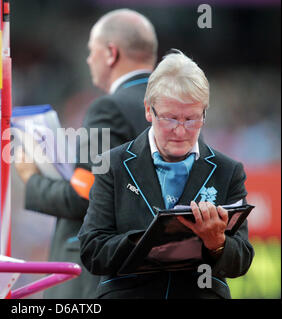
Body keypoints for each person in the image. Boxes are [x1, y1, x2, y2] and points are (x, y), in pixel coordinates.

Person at [78, 50, 254, 299]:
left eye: (192, 119)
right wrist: (147, 243)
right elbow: (92, 250)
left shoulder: (228, 171)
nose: (181, 132)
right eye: (170, 119)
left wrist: (217, 243)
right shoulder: (113, 164)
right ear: (149, 110)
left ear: (204, 114)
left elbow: (242, 261)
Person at [14, 9, 158, 298]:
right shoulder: (179, 111)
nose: (89, 60)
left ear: (111, 53)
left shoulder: (108, 109)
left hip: (96, 280)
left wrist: (32, 179)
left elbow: (88, 195)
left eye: (91, 51)